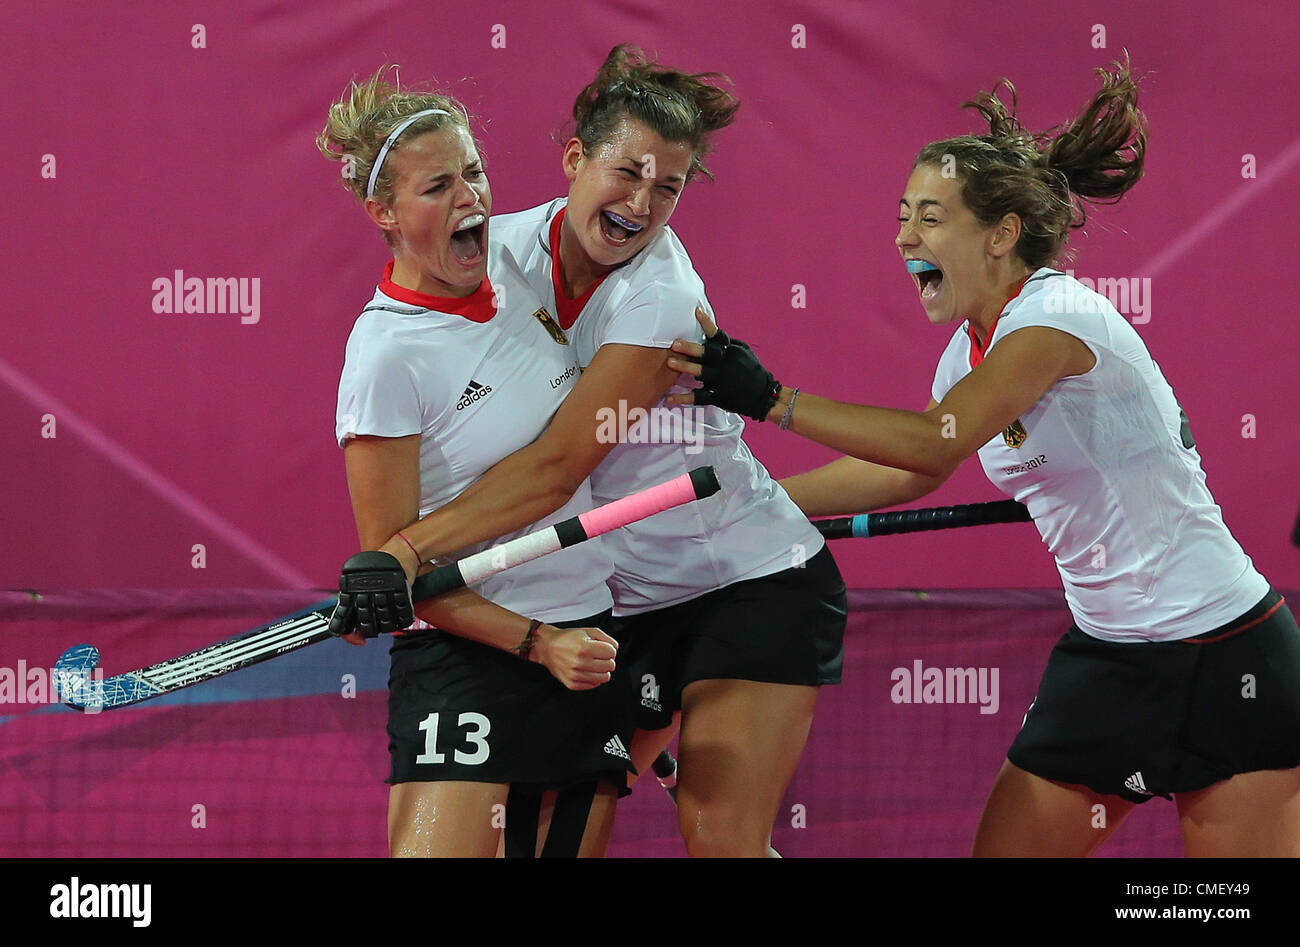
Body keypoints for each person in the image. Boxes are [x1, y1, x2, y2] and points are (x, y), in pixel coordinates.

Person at [664, 58, 1300, 857]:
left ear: (999, 235)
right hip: (1106, 657)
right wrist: (755, 501)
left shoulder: (1056, 317)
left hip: (1224, 653)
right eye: (902, 215)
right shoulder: (967, 358)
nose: (904, 236)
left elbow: (935, 438)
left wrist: (772, 399)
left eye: (929, 218)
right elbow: (912, 470)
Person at [338, 45, 848, 858]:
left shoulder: (662, 298)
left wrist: (398, 552)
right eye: (627, 173)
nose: (643, 204)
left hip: (737, 581)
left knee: (719, 833)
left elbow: (557, 467)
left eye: (670, 187)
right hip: (621, 597)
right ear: (575, 159)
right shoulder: (496, 255)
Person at [317, 66, 635, 858]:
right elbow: (401, 573)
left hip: (585, 640)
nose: (471, 198)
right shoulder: (386, 354)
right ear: (383, 213)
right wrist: (534, 641)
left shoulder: (528, 268)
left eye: (475, 173)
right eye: (437, 187)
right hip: (468, 659)